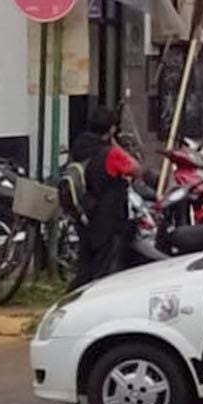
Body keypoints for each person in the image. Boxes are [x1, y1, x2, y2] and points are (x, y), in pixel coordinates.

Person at [71, 105, 139, 286]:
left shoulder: (79, 146)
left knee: (86, 265)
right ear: (110, 129)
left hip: (85, 211)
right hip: (107, 216)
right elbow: (135, 169)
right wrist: (114, 142)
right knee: (105, 267)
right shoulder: (110, 153)